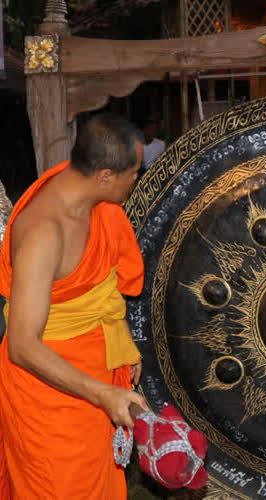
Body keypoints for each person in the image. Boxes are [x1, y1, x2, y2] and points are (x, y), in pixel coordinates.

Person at [0, 113, 148, 499]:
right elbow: (22, 345)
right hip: (49, 393)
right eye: (133, 173)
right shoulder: (42, 232)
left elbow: (101, 288)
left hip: (95, 379)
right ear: (105, 176)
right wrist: (102, 394)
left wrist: (122, 342)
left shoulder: (96, 202)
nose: (136, 180)